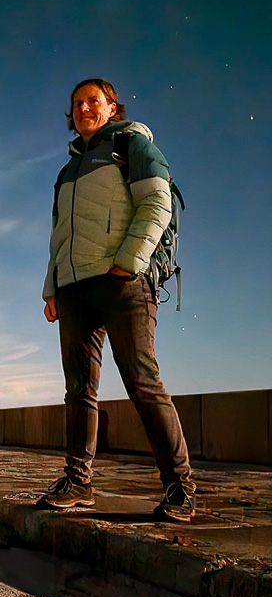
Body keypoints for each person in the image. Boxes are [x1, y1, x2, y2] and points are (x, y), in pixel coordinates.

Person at [39, 78, 196, 521]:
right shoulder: (66, 171)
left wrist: (128, 263)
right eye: (77, 103)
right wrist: (52, 287)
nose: (84, 108)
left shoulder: (133, 147)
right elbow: (59, 236)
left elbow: (157, 204)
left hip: (123, 282)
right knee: (78, 392)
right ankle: (78, 482)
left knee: (143, 384)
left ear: (112, 108)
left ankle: (180, 488)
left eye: (93, 101)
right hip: (74, 290)